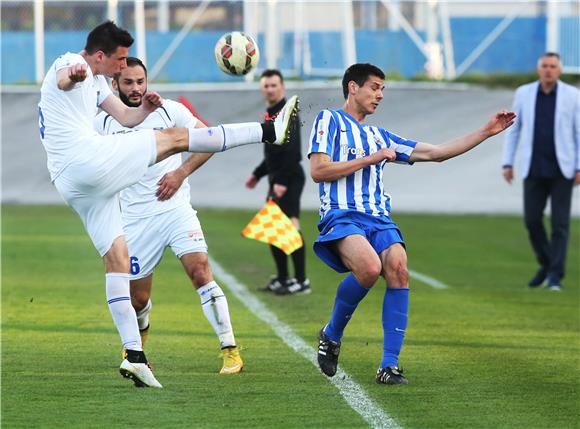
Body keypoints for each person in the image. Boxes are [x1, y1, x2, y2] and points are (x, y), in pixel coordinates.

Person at [38, 21, 298, 388]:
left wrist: (143, 109)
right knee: (175, 138)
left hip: (73, 183)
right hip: (85, 161)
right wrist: (76, 73)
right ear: (100, 56)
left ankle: (134, 355)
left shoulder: (99, 84)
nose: (123, 68)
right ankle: (268, 130)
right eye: (120, 60)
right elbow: (67, 77)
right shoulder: (71, 65)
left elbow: (128, 117)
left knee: (116, 259)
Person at [308, 63, 515, 385]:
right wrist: (370, 159)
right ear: (352, 87)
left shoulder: (380, 135)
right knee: (367, 268)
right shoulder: (329, 120)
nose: (379, 95)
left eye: (382, 89)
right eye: (374, 87)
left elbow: (437, 153)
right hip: (342, 214)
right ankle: (331, 334)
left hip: (378, 217)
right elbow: (319, 171)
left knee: (398, 267)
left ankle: (389, 366)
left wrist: (486, 132)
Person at [94, 57, 243, 375]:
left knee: (201, 271)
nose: (136, 88)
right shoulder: (103, 123)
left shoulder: (169, 110)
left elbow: (211, 139)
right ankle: (142, 330)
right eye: (128, 83)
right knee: (137, 299)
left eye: (140, 81)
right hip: (134, 219)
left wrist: (181, 172)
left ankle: (230, 349)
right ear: (114, 85)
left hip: (175, 210)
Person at [502, 52, 580, 291]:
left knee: (560, 225)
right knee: (532, 220)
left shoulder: (573, 95)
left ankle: (555, 276)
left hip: (562, 169)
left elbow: (578, 133)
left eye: (553, 66)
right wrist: (507, 162)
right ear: (539, 69)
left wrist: (579, 166)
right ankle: (547, 263)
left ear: (559, 69)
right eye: (545, 66)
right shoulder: (524, 93)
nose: (548, 70)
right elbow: (514, 130)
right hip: (533, 167)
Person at [245, 69, 310, 295]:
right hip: (277, 178)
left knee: (290, 226)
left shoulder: (287, 111)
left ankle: (301, 281)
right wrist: (258, 174)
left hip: (289, 177)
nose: (270, 89)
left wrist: (281, 181)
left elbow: (292, 150)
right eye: (266, 85)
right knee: (273, 229)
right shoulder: (271, 112)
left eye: (274, 85)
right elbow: (272, 152)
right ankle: (283, 279)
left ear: (282, 87)